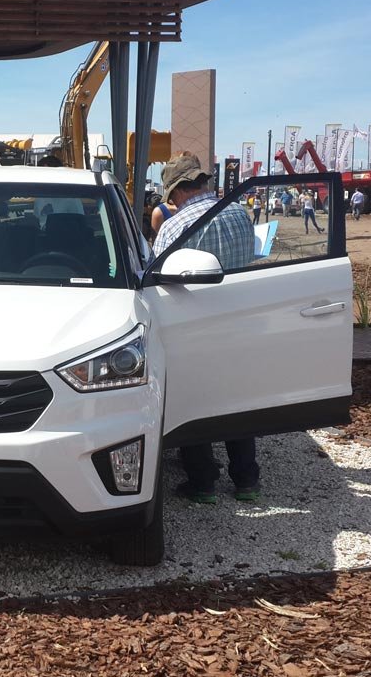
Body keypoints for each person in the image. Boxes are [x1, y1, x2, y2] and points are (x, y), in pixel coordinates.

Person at [152, 152, 260, 504]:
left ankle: (203, 483)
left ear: (180, 190)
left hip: (194, 328)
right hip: (243, 322)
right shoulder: (240, 214)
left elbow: (156, 280)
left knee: (194, 403)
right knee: (238, 401)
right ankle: (246, 480)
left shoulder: (174, 226)